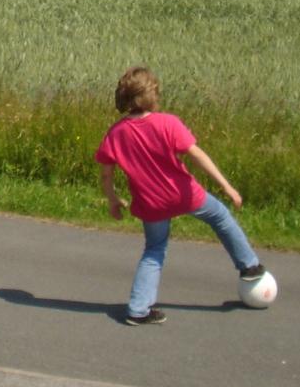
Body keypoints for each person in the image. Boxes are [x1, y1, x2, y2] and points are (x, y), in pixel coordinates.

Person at [96, 66, 267, 326]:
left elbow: (106, 175)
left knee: (154, 250)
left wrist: (113, 200)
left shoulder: (116, 133)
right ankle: (249, 266)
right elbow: (197, 155)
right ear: (151, 96)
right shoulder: (168, 123)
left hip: (150, 202)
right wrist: (226, 186)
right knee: (220, 216)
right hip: (183, 195)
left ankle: (138, 310)